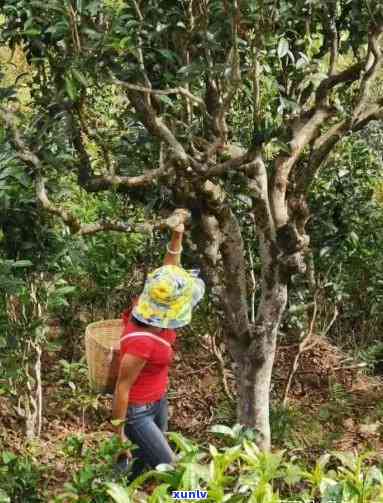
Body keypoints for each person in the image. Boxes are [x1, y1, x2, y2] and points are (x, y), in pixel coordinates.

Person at [111, 209, 205, 481]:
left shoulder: (151, 300)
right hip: (137, 412)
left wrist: (177, 234)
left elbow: (170, 269)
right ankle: (193, 498)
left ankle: (125, 490)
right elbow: (122, 388)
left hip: (158, 399)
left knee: (143, 462)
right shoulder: (141, 343)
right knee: (174, 472)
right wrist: (118, 438)